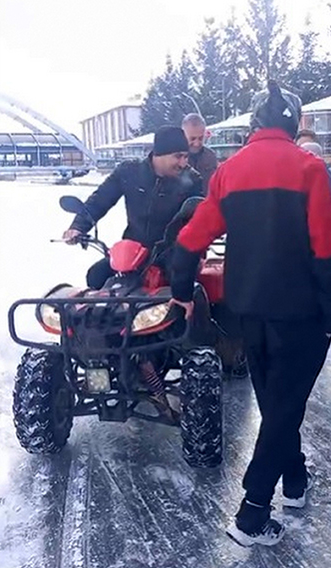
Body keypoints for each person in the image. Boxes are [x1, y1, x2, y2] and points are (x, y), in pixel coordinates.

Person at [168, 80, 331, 547]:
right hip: (299, 314)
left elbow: (191, 240)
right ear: (292, 123)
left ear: (256, 123)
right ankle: (253, 512)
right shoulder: (310, 169)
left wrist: (181, 287)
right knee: (285, 407)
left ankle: (295, 484)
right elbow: (325, 252)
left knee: (278, 403)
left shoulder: (228, 172)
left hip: (247, 315)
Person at [62, 125, 204, 289]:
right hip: (132, 251)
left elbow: (199, 217)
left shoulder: (192, 180)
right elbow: (100, 200)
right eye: (178, 156)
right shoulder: (129, 172)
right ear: (159, 154)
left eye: (186, 157)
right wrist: (78, 227)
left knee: (179, 285)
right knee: (96, 275)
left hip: (170, 253)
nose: (183, 163)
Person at [183, 113, 218, 186]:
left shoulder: (210, 157)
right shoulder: (175, 158)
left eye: (201, 138)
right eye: (192, 139)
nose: (197, 143)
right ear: (183, 135)